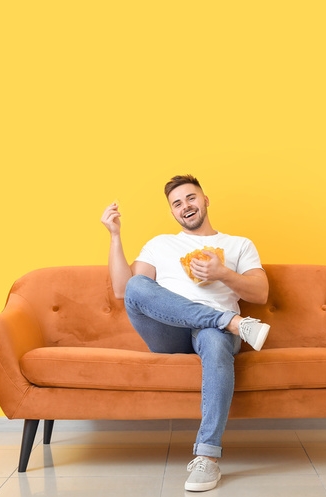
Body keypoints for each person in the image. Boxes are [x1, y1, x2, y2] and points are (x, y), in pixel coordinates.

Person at [100, 174, 270, 492]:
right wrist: (114, 235)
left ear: (205, 200)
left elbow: (260, 293)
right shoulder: (160, 244)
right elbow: (126, 291)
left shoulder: (238, 245)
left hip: (213, 338)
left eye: (191, 198)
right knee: (140, 283)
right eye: (177, 203)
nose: (185, 206)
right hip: (169, 333)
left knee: (214, 337)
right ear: (173, 212)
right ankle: (231, 322)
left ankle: (207, 458)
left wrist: (222, 273)